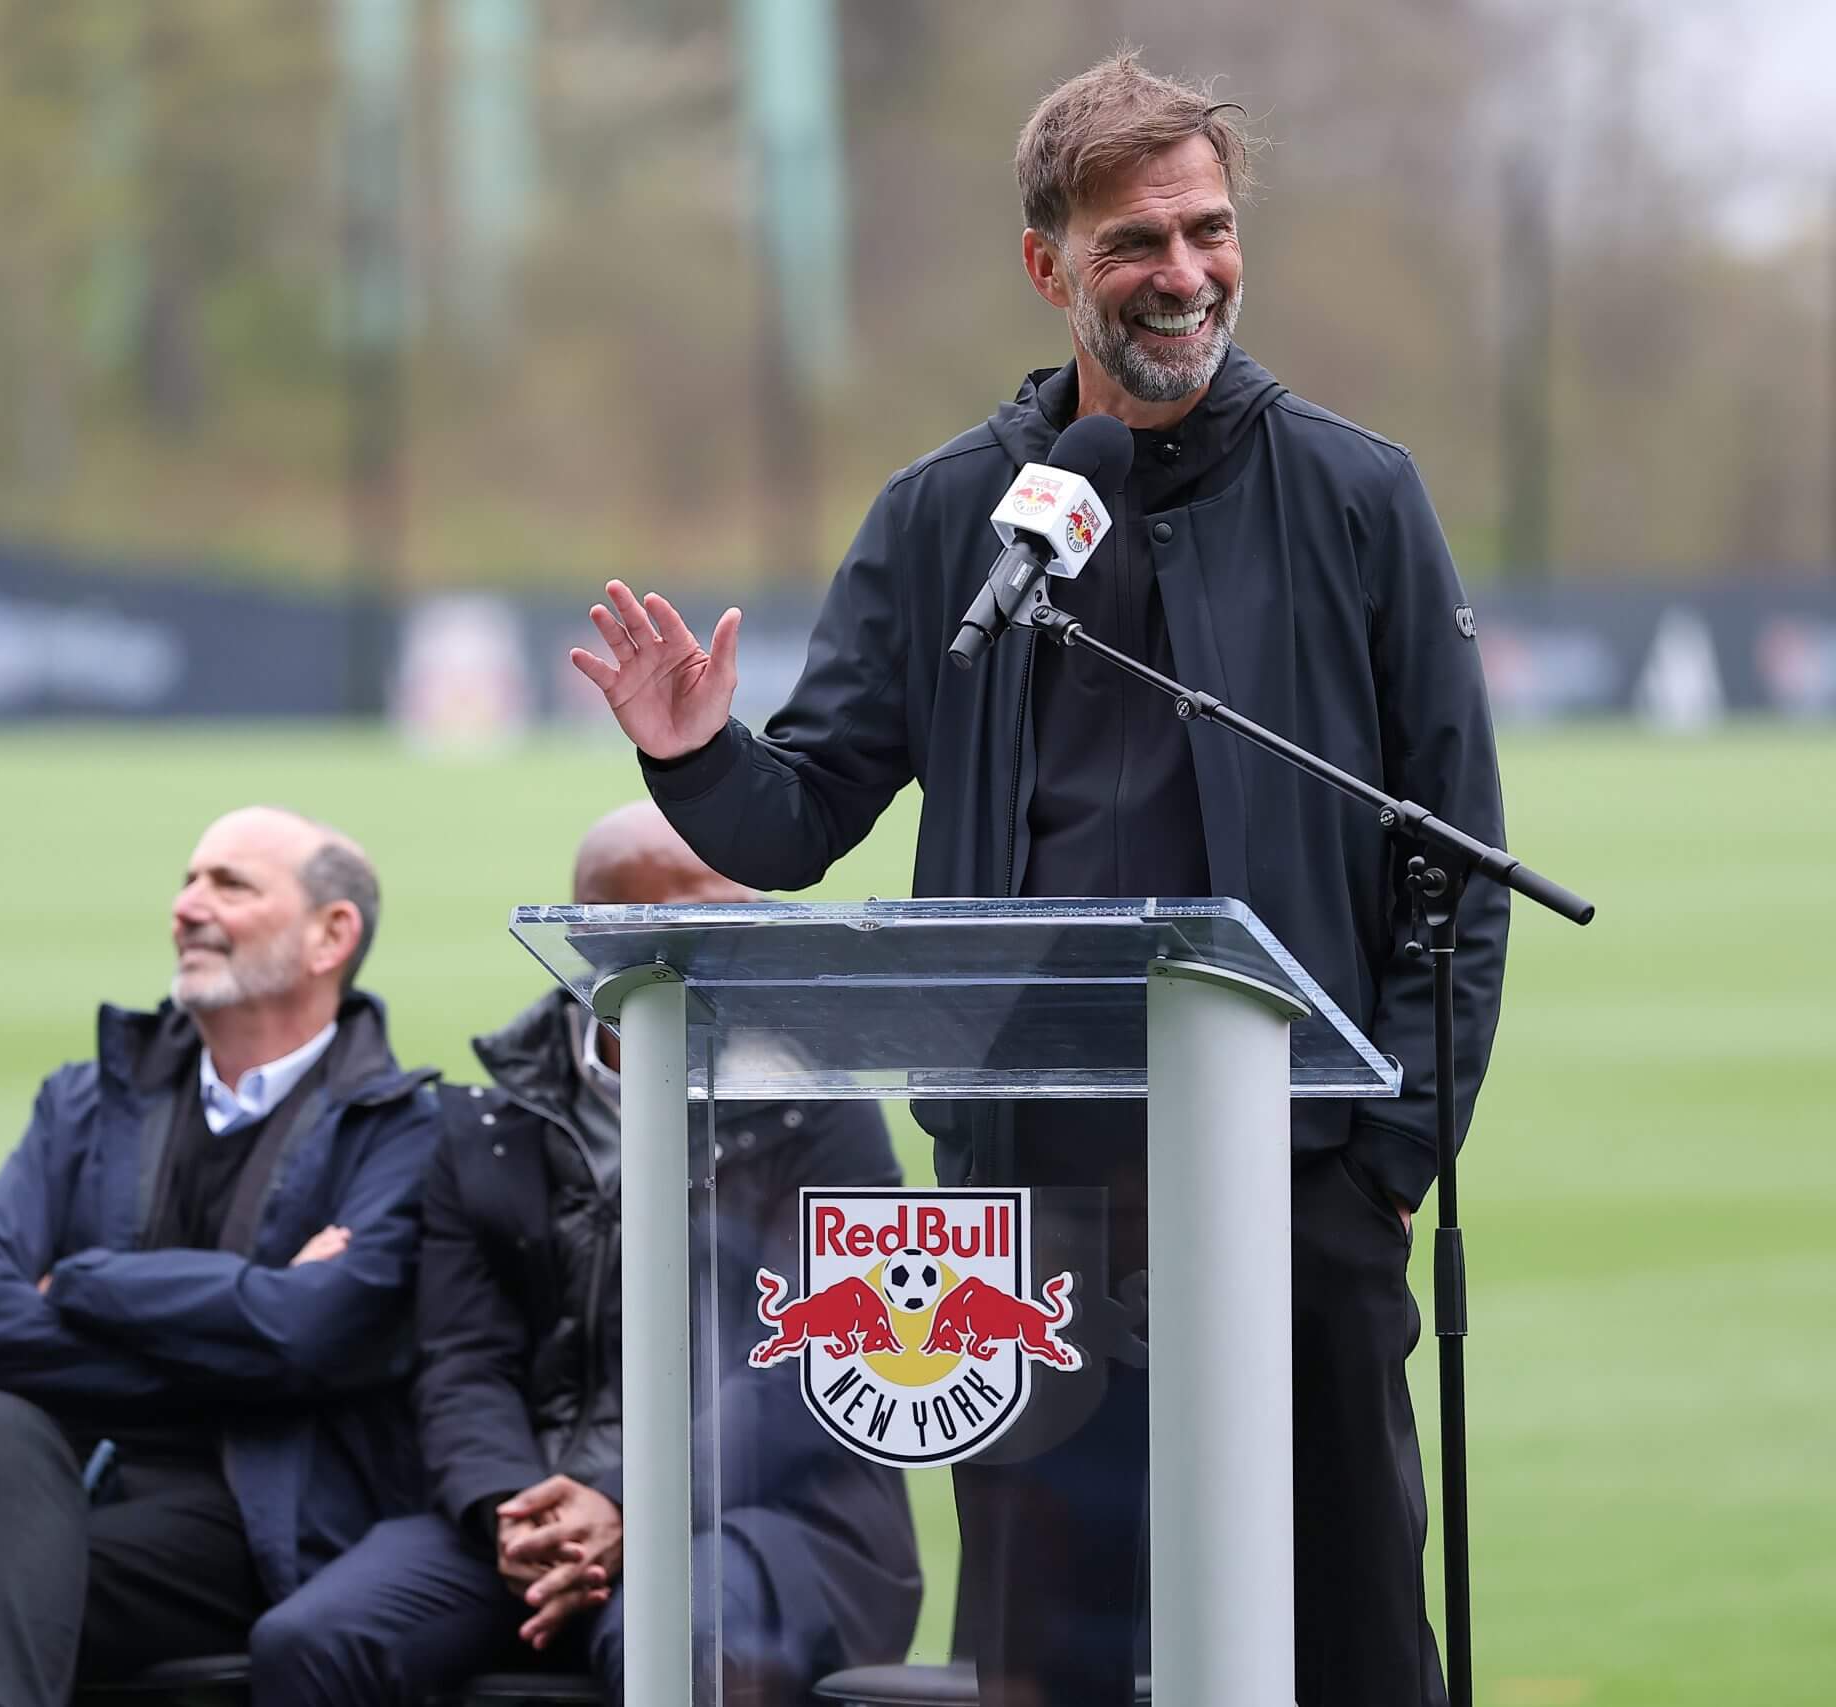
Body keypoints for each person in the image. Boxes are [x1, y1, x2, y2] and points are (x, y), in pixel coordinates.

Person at [566, 51, 1508, 1707]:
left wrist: (1386, 1167)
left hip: (1295, 1183)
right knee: (1046, 1664)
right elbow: (801, 820)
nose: (1183, 273)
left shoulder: (1359, 496)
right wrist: (693, 753)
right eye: (1135, 240)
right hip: (1033, 1199)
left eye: (1208, 231)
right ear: (1047, 264)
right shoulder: (949, 517)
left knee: (1349, 1644)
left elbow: (1455, 865)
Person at [253, 803, 921, 1706]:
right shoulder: (492, 1121)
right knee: (311, 1641)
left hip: (769, 1516)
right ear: (602, 944)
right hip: (534, 1504)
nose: (750, 941)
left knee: (675, 1641)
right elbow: (463, 1362)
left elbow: (817, 1361)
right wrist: (510, 1509)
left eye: (747, 909)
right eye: (709, 916)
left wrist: (627, 1499)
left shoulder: (821, 1108)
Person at [0, 806, 442, 1707]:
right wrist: (245, 1325)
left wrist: (79, 1283)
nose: (187, 906)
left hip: (268, 1527)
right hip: (78, 1496)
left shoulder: (404, 1130)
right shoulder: (80, 1100)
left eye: (229, 884)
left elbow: (313, 1332)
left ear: (332, 934)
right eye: (188, 879)